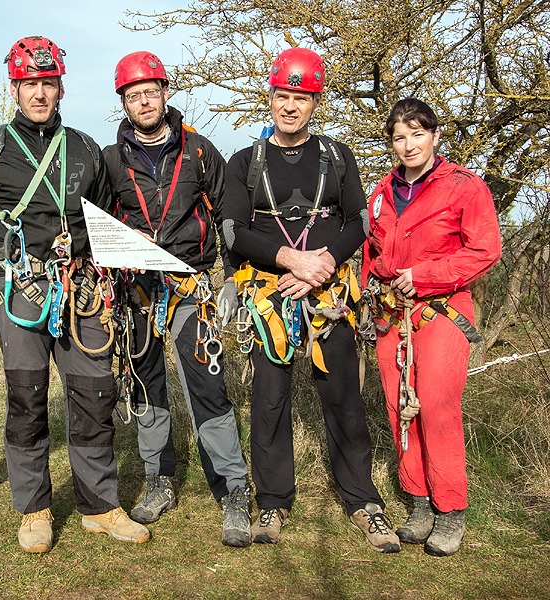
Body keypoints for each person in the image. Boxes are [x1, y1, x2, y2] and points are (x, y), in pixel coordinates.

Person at [0, 36, 149, 554]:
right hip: (18, 292)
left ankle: (100, 504)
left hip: (81, 291)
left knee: (94, 395)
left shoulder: (85, 149)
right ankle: (35, 507)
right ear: (15, 88)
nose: (39, 94)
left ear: (60, 87)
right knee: (26, 398)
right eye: (29, 85)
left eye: (47, 84)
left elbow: (105, 221)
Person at [222, 47, 400, 552]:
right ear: (271, 98)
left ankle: (363, 502)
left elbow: (359, 223)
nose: (290, 106)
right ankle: (273, 501)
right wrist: (291, 260)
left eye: (300, 97)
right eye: (283, 96)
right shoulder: (246, 162)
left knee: (343, 397)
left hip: (329, 296)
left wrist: (320, 265)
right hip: (271, 296)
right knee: (270, 401)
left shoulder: (337, 158)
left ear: (314, 102)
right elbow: (233, 231)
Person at [103, 51, 251, 547]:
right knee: (147, 387)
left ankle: (233, 488)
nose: (143, 101)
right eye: (133, 95)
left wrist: (231, 276)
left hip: (191, 288)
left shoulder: (200, 152)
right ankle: (158, 479)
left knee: (208, 386)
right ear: (123, 102)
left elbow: (228, 217)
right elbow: (95, 221)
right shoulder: (110, 160)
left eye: (150, 92)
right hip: (137, 292)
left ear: (166, 92)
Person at [361, 98, 501, 556]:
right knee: (399, 409)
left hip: (442, 311)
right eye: (399, 137)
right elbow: (371, 254)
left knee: (438, 406)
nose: (409, 144)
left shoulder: (464, 187)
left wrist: (422, 276)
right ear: (391, 142)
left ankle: (451, 508)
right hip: (390, 314)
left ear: (435, 136)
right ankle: (418, 500)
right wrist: (369, 294)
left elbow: (484, 251)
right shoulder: (381, 193)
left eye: (417, 134)